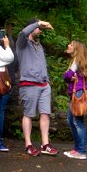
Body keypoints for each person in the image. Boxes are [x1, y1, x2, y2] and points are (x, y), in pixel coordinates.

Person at [16, 18, 58, 156]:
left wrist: (47, 81)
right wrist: (39, 23)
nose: (40, 30)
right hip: (29, 84)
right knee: (28, 114)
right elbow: (23, 33)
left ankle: (45, 144)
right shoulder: (22, 43)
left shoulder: (39, 45)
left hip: (44, 85)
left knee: (45, 113)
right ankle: (28, 145)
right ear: (31, 26)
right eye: (38, 27)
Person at [63, 40, 87, 160]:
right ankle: (77, 148)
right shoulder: (77, 61)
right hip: (76, 94)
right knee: (71, 121)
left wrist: (69, 76)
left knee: (77, 122)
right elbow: (68, 77)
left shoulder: (77, 61)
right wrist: (68, 76)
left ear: (76, 49)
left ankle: (81, 151)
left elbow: (67, 76)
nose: (68, 46)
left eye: (71, 45)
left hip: (79, 94)